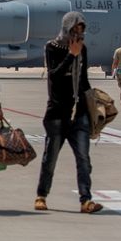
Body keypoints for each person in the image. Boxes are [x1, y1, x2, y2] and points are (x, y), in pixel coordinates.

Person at [34, 11, 104, 214]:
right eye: (75, 30)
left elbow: (83, 80)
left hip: (79, 113)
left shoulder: (83, 49)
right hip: (57, 113)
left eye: (81, 31)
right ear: (66, 28)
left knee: (83, 159)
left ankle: (86, 200)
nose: (78, 35)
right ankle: (41, 195)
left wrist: (94, 105)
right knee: (50, 158)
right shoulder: (52, 47)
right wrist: (71, 55)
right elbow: (54, 76)